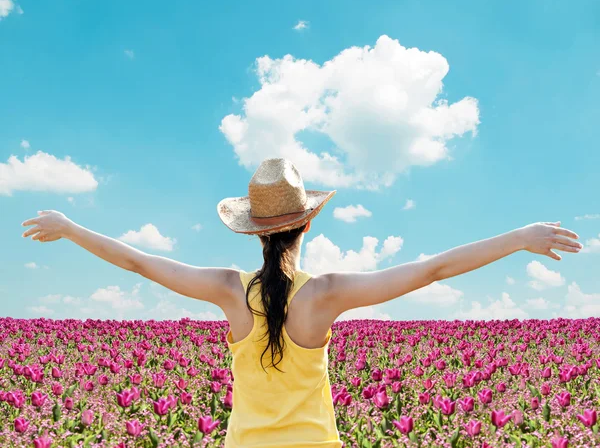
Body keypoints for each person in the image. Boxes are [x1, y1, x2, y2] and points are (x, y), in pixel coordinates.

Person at [20, 157, 582, 447]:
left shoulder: (227, 289)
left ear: (254, 232)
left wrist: (70, 227)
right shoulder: (325, 294)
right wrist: (518, 239)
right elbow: (431, 269)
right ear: (306, 225)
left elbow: (139, 262)